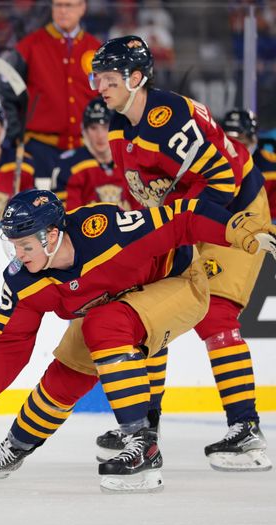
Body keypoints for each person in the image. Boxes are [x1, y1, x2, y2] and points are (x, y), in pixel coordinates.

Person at [0, 189, 276, 492]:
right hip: (118, 306)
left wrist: (237, 230)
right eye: (13, 245)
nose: (19, 255)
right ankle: (14, 448)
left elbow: (182, 217)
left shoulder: (104, 231)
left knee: (103, 323)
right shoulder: (23, 281)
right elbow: (10, 341)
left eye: (25, 245)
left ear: (52, 236)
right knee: (67, 369)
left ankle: (142, 443)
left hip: (180, 282)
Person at [90, 36, 272, 471]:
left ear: (136, 78)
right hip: (186, 214)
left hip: (236, 210)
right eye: (98, 77)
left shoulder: (166, 120)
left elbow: (222, 181)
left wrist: (181, 232)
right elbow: (142, 195)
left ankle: (245, 429)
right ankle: (145, 429)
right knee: (152, 309)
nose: (100, 86)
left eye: (110, 78)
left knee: (216, 315)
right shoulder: (121, 124)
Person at [0, 0, 100, 180]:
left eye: (69, 5)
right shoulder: (29, 45)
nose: (63, 11)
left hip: (86, 148)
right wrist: (15, 135)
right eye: (58, 5)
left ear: (82, 8)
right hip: (39, 148)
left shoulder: (96, 49)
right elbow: (6, 92)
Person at [52, 97, 139, 211]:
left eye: (105, 127)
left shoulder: (132, 160)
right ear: (84, 130)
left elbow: (143, 212)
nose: (100, 135)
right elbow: (69, 218)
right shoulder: (70, 166)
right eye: (93, 128)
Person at [221, 108, 276, 222]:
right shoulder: (211, 164)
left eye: (240, 139)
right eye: (228, 139)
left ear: (254, 139)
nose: (234, 146)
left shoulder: (271, 165)